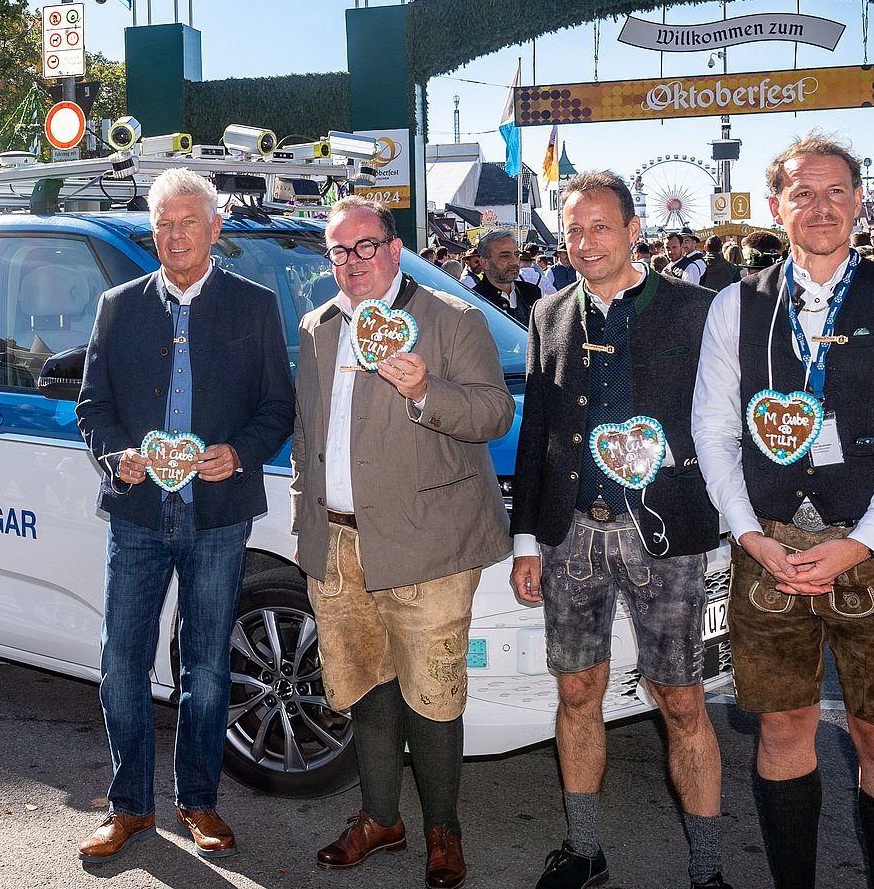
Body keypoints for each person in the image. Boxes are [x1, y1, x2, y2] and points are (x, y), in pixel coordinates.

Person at [693, 134, 874, 889]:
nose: (821, 206)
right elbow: (714, 428)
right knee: (781, 729)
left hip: (873, 541)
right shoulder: (736, 304)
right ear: (776, 206)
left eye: (836, 191)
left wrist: (862, 541)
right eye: (802, 192)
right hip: (767, 541)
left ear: (859, 202)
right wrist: (747, 533)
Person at [510, 172, 729, 889]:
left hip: (664, 536)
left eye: (600, 226)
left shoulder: (699, 310)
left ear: (635, 229)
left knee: (682, 699)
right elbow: (537, 431)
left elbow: (726, 421)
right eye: (573, 229)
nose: (585, 242)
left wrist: (689, 466)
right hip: (571, 534)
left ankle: (707, 868)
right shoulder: (548, 313)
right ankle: (585, 850)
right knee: (577, 693)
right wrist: (525, 540)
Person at [72, 170, 294, 864]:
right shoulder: (118, 305)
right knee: (121, 665)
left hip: (218, 516)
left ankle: (198, 802)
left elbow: (277, 409)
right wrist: (116, 456)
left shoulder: (254, 307)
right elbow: (93, 407)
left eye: (187, 223)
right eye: (162, 224)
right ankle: (130, 808)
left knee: (206, 668)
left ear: (214, 228)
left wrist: (241, 452)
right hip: (139, 514)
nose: (173, 236)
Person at [294, 197, 512, 889]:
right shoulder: (318, 327)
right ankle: (380, 818)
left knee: (434, 692)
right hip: (339, 543)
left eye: (364, 247)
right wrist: (309, 517)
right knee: (365, 683)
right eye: (337, 250)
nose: (351, 263)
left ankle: (443, 829)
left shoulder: (451, 319)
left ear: (393, 248)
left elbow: (494, 413)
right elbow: (308, 435)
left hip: (429, 545)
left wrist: (426, 389)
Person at [470, 228, 542, 324]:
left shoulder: (531, 292)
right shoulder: (475, 300)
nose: (514, 262)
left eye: (517, 255)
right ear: (485, 262)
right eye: (505, 256)